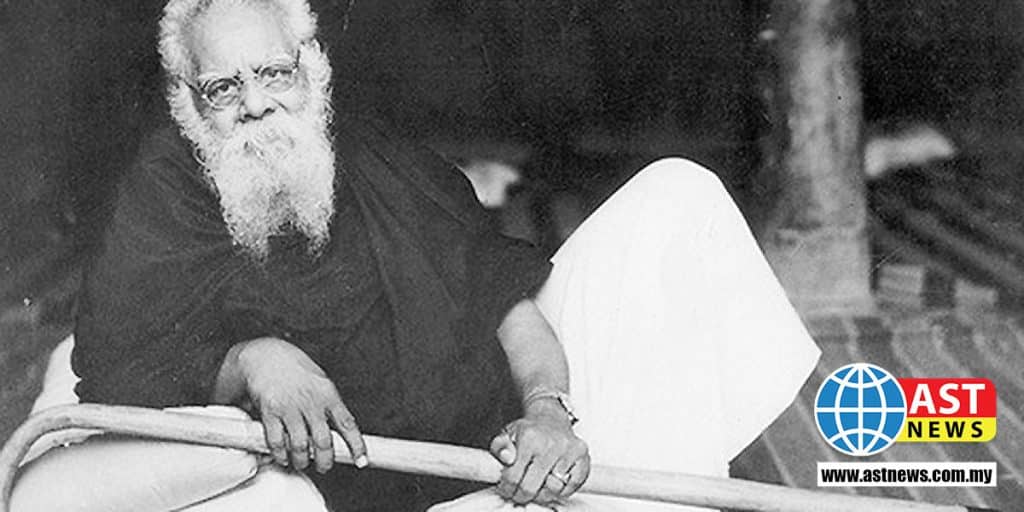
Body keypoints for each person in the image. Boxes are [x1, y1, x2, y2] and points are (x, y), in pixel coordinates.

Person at [63, 0, 820, 510]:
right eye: (224, 87)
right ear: (188, 100)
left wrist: (548, 412)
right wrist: (251, 361)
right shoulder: (160, 190)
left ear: (310, 64)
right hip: (402, 490)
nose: (256, 103)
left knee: (677, 193)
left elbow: (503, 298)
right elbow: (118, 367)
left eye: (273, 73)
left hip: (510, 444)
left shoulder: (368, 154)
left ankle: (625, 477)